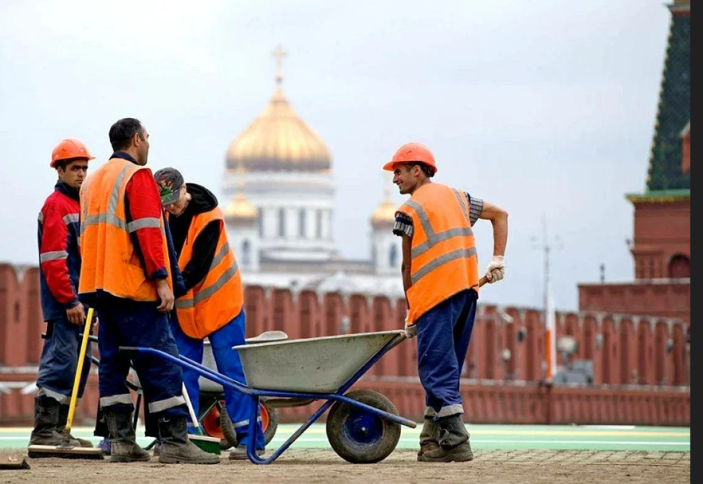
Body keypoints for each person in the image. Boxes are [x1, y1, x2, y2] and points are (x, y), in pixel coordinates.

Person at [78, 118, 219, 465]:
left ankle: (122, 441)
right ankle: (173, 441)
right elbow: (147, 232)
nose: (149, 144)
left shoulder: (92, 181)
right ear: (137, 139)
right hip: (132, 288)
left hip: (99, 287)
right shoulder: (136, 177)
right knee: (160, 361)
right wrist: (161, 280)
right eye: (148, 138)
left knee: (112, 364)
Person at [385, 142, 509, 463]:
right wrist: (498, 259)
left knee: (436, 368)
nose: (394, 179)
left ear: (418, 170)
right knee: (446, 368)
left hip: (435, 298)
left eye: (398, 172)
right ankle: (432, 440)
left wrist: (412, 312)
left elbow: (407, 267)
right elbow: (500, 215)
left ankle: (456, 439)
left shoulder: (408, 211)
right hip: (467, 293)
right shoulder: (459, 197)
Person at [154, 167, 265, 460]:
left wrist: (165, 291)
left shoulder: (209, 218)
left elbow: (196, 269)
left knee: (232, 371)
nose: (171, 208)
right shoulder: (164, 215)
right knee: (181, 370)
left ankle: (250, 440)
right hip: (187, 306)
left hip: (221, 302)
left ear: (184, 191)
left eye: (174, 201)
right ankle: (187, 438)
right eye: (164, 204)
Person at [30, 139, 95, 451]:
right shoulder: (57, 206)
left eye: (84, 168)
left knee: (76, 367)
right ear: (59, 170)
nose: (81, 174)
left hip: (80, 303)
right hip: (65, 304)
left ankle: (62, 431)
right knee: (61, 363)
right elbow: (54, 260)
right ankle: (45, 431)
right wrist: (69, 300)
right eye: (75, 168)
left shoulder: (79, 205)